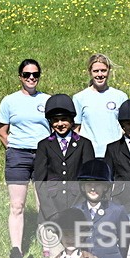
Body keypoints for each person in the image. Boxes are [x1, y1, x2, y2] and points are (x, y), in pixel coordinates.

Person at [0, 58, 51, 253]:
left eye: (35, 74)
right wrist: (14, 149)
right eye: (27, 74)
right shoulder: (9, 101)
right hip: (18, 157)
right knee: (17, 205)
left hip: (43, 156)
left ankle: (47, 244)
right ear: (20, 76)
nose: (31, 78)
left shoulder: (47, 100)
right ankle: (17, 249)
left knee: (43, 203)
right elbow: (2, 131)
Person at [33, 94, 95, 223]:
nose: (60, 124)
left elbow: (88, 180)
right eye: (55, 120)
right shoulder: (44, 145)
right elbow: (40, 181)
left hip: (78, 208)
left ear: (72, 120)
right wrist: (51, 213)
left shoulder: (84, 144)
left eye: (64, 119)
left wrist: (78, 210)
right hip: (52, 209)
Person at [73, 53, 128, 158]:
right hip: (89, 154)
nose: (100, 74)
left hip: (115, 154)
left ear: (109, 71)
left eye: (103, 70)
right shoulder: (79, 98)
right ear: (90, 72)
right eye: (96, 71)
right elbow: (76, 129)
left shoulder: (120, 97)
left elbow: (125, 127)